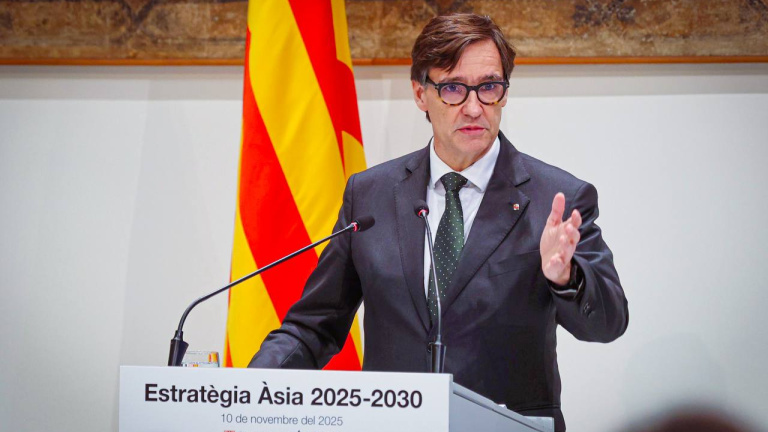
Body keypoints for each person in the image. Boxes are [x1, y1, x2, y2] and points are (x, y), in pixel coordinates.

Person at [249, 13, 629, 431]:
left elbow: (608, 323)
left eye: (489, 87)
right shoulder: (371, 195)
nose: (474, 107)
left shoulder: (555, 199)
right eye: (453, 88)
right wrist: (244, 391)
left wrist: (566, 278)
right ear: (420, 93)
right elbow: (313, 326)